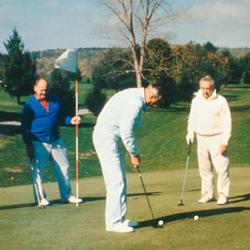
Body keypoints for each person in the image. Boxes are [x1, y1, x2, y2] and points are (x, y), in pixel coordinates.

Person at [92, 84, 161, 233]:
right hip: (106, 138)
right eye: (157, 100)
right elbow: (126, 132)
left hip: (111, 137)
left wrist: (132, 152)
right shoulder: (135, 103)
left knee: (120, 179)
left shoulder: (137, 96)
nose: (156, 103)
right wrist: (134, 154)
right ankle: (113, 223)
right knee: (116, 181)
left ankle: (121, 219)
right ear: (152, 96)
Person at [21, 77, 82, 207]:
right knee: (38, 171)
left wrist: (71, 120)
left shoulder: (55, 101)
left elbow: (62, 117)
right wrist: (29, 144)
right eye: (41, 90)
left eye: (46, 89)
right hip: (38, 143)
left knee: (64, 168)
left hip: (56, 140)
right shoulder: (29, 105)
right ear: (35, 88)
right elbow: (24, 127)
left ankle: (67, 195)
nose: (44, 92)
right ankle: (41, 199)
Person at [186, 75, 232, 205]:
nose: (206, 91)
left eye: (208, 88)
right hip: (201, 138)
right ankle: (208, 193)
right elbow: (192, 119)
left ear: (213, 87)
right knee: (204, 169)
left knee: (222, 168)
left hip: (217, 137)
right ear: (200, 87)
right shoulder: (196, 101)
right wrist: (190, 133)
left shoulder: (221, 101)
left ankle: (223, 194)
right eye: (203, 88)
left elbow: (227, 122)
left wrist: (225, 141)